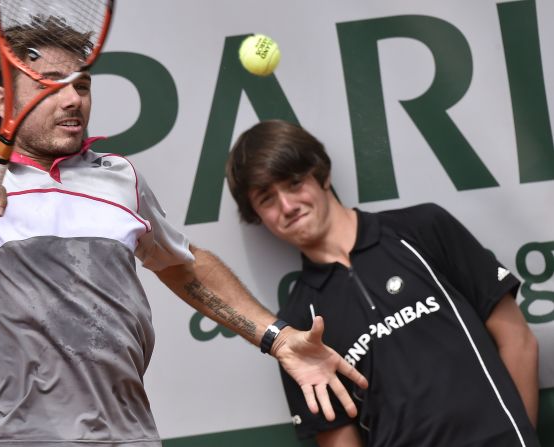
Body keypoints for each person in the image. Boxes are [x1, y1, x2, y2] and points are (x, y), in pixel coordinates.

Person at [0, 22, 367, 447]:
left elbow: (180, 264)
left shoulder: (119, 178)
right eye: (50, 84)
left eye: (82, 85)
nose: (73, 99)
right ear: (2, 100)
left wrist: (279, 337)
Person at [225, 119, 541, 447]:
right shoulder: (296, 325)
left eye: (293, 183)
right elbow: (339, 439)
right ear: (257, 217)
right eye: (267, 199)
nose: (287, 206)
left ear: (322, 174)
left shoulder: (423, 229)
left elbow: (517, 339)